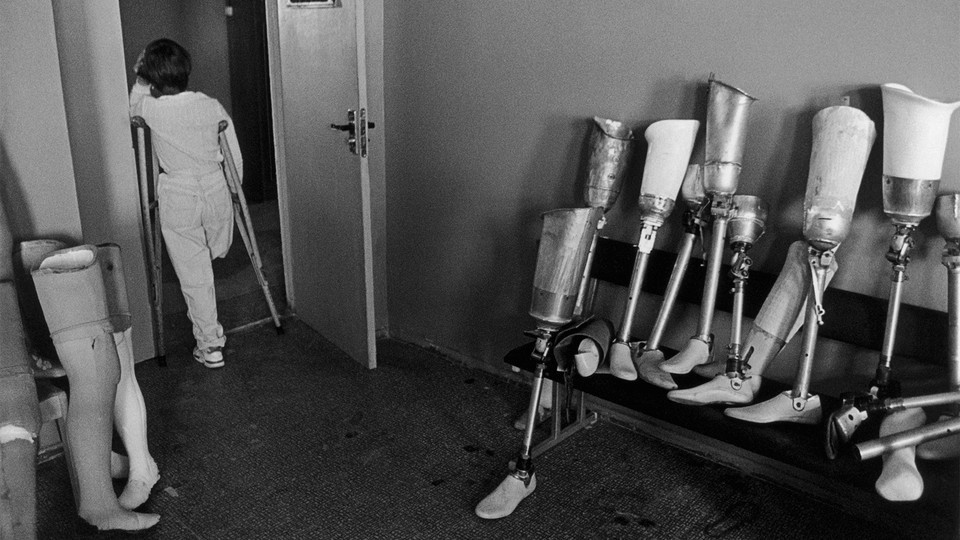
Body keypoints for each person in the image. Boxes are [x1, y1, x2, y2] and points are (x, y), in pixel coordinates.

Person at [129, 38, 242, 369]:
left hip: (179, 194)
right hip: (215, 188)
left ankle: (211, 346)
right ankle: (215, 251)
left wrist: (141, 78)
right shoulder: (211, 105)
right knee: (215, 250)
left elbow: (134, 106)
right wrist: (235, 188)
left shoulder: (151, 109)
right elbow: (233, 153)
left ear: (152, 78)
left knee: (195, 274)